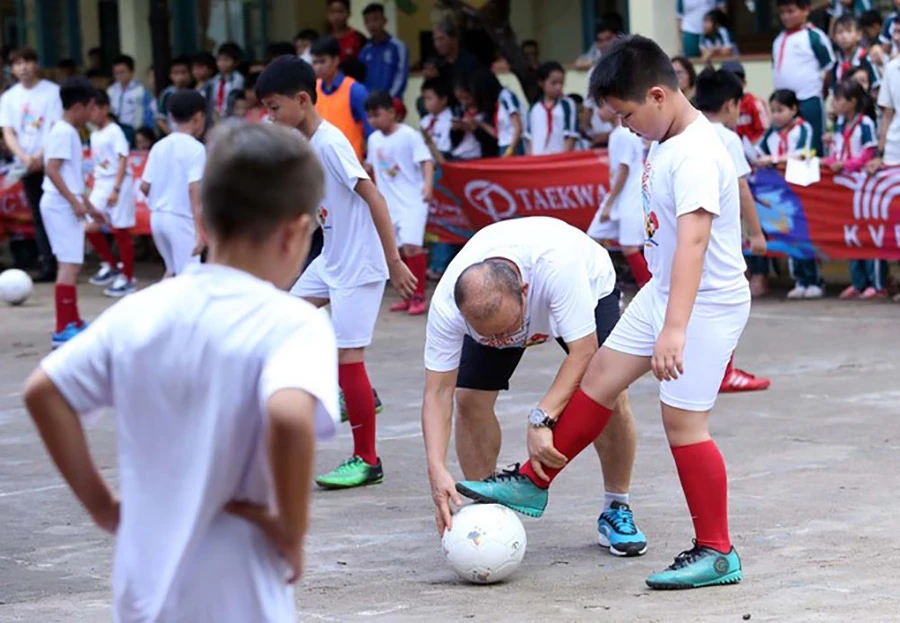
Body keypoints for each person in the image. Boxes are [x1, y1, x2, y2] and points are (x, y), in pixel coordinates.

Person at [456, 35, 750, 591]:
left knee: (683, 423)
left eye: (626, 114)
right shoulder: (664, 139)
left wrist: (675, 329)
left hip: (705, 303)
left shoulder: (696, 153)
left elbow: (693, 243)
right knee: (599, 378)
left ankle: (717, 551)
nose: (624, 126)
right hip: (665, 291)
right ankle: (533, 481)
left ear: (659, 95)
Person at [22, 121, 338, 622]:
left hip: (144, 585)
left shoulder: (139, 311)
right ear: (297, 232)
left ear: (202, 218)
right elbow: (290, 417)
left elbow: (44, 391)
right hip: (241, 594)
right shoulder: (294, 322)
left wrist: (102, 505)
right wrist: (291, 531)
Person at [423, 217, 648, 557]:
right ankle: (491, 505)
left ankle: (616, 507)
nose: (502, 341)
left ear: (525, 291)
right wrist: (436, 468)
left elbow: (583, 352)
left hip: (589, 288)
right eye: (490, 337)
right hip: (504, 300)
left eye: (507, 330)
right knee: (469, 400)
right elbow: (437, 392)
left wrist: (542, 418)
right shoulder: (448, 305)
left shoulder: (559, 269)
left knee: (611, 393)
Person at [255, 56, 416, 489]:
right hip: (332, 260)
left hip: (359, 265)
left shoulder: (330, 142)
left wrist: (394, 261)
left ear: (303, 100)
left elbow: (374, 198)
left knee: (350, 358)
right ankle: (357, 395)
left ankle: (367, 460)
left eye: (273, 108)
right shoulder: (303, 143)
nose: (269, 117)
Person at [693, 67, 771, 393]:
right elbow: (742, 188)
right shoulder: (726, 138)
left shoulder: (684, 134)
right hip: (721, 236)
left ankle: (697, 366)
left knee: (695, 301)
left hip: (689, 234)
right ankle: (724, 372)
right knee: (730, 301)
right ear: (729, 105)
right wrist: (756, 232)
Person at [40, 78, 104, 347]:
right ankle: (62, 327)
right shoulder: (64, 131)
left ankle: (72, 320)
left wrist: (88, 206)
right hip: (59, 205)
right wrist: (74, 203)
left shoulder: (68, 132)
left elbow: (71, 176)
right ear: (78, 106)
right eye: (90, 108)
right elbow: (52, 169)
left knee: (72, 264)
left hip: (65, 203)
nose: (92, 114)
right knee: (69, 264)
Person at [365, 90, 433, 315]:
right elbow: (371, 167)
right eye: (370, 116)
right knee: (398, 249)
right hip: (389, 203)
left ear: (392, 113)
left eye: (377, 114)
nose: (373, 120)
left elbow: (426, 160)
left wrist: (428, 186)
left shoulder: (409, 135)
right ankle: (407, 295)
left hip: (413, 199)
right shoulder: (373, 140)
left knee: (413, 246)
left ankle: (419, 295)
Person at [0, 46, 62, 282]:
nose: (23, 67)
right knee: (38, 213)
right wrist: (25, 157)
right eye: (17, 64)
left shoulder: (52, 92)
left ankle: (64, 260)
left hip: (52, 161)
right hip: (25, 164)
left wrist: (40, 154)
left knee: (58, 211)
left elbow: (57, 127)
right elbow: (8, 131)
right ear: (12, 69)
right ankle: (47, 263)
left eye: (27, 61)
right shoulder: (9, 98)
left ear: (35, 64)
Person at [757, 89, 821, 300]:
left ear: (794, 109)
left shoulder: (804, 128)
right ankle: (799, 280)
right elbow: (759, 151)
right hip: (780, 192)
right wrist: (763, 159)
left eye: (780, 110)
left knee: (803, 234)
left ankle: (813, 279)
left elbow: (803, 152)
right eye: (772, 111)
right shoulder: (770, 133)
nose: (775, 115)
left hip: (800, 189)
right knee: (789, 234)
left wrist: (775, 159)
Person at [823, 80, 884, 299]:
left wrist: (846, 165)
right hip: (845, 186)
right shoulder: (840, 124)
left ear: (852, 102)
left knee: (869, 232)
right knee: (850, 233)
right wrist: (828, 161)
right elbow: (838, 152)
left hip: (863, 185)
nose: (835, 103)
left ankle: (876, 283)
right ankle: (858, 282)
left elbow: (868, 153)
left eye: (839, 99)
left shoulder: (865, 123)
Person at [140, 91, 207, 278]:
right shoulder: (196, 148)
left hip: (158, 218)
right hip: (181, 218)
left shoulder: (159, 146)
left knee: (172, 271)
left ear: (170, 117)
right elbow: (195, 190)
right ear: (198, 117)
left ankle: (161, 307)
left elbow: (144, 187)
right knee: (189, 277)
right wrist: (199, 229)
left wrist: (161, 195)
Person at [587, 102, 652, 289]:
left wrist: (610, 203)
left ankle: (648, 288)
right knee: (593, 238)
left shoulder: (623, 134)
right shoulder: (618, 134)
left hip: (629, 197)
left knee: (629, 246)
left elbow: (624, 170)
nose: (597, 113)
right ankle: (599, 284)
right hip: (620, 197)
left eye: (599, 107)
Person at [85, 90, 137, 298]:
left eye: (94, 109)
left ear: (105, 109)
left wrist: (116, 188)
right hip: (100, 183)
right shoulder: (94, 133)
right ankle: (112, 265)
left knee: (121, 230)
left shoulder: (114, 131)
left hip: (119, 182)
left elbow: (123, 158)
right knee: (90, 225)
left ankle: (128, 277)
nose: (90, 114)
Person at [772, 0, 834, 157]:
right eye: (782, 13)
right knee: (789, 145)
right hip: (784, 105)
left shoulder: (814, 37)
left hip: (808, 99)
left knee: (814, 146)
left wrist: (823, 93)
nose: (786, 17)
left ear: (805, 10)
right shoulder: (778, 40)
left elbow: (829, 69)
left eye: (791, 12)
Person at [311, 35, 373, 160]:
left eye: (322, 61)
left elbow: (371, 130)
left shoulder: (355, 90)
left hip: (350, 165)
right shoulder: (312, 89)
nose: (318, 67)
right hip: (321, 164)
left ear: (336, 60)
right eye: (314, 62)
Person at [359, 3, 409, 100]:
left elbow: (401, 76)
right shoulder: (365, 50)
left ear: (384, 20)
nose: (372, 25)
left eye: (375, 20)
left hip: (391, 102)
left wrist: (389, 98)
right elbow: (361, 77)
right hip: (370, 102)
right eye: (367, 21)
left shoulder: (398, 46)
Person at [525, 62, 577, 156]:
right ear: (541, 83)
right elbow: (529, 139)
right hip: (538, 160)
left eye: (561, 83)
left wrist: (563, 159)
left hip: (558, 160)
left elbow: (571, 136)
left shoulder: (567, 104)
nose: (559, 87)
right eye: (554, 83)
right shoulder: (534, 108)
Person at [107, 54, 155, 142]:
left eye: (122, 72)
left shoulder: (140, 91)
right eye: (116, 73)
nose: (119, 76)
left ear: (131, 71)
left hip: (133, 132)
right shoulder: (111, 91)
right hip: (114, 131)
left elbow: (149, 113)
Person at [721, 60, 769, 147]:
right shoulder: (719, 105)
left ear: (744, 83)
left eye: (736, 80)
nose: (732, 85)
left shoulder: (755, 103)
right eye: (728, 81)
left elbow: (764, 133)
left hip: (753, 150)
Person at [831, 15, 880, 96]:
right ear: (834, 37)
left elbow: (876, 86)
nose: (844, 36)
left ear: (859, 35)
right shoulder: (836, 62)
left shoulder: (866, 59)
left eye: (849, 31)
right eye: (840, 32)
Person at [433, 19, 483, 84]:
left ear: (454, 39)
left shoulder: (470, 64)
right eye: (435, 40)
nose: (437, 45)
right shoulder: (440, 66)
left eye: (441, 39)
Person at [157, 56, 193, 135]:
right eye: (176, 73)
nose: (180, 77)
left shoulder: (194, 92)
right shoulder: (167, 94)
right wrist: (172, 135)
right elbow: (161, 120)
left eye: (183, 72)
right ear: (170, 75)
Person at [420, 77, 453, 159]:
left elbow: (445, 149)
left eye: (429, 98)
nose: (426, 102)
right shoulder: (425, 120)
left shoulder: (450, 121)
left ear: (443, 100)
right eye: (424, 98)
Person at [211, 42, 245, 119]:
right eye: (219, 60)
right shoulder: (215, 79)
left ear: (236, 62)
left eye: (226, 60)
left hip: (232, 115)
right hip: (216, 115)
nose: (221, 63)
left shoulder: (238, 79)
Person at [497, 84, 524, 156]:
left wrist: (510, 149)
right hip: (503, 144)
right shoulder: (497, 99)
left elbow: (518, 126)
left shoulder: (505, 95)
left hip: (513, 144)